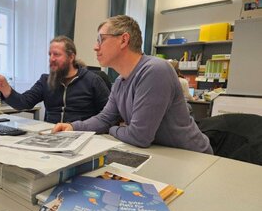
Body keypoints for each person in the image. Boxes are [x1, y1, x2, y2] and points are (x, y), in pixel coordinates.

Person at [53, 15, 213, 154]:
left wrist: (112, 129)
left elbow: (139, 137)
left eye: (101, 39)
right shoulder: (119, 82)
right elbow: (105, 118)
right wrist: (72, 127)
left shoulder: (155, 70)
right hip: (160, 153)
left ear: (124, 40)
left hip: (191, 157)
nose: (95, 47)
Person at [0, 35, 110, 124]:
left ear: (71, 57)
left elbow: (108, 115)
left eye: (57, 55)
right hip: (52, 136)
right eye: (50, 54)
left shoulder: (93, 80)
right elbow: (24, 103)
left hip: (82, 136)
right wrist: (5, 88)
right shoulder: (45, 80)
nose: (51, 59)